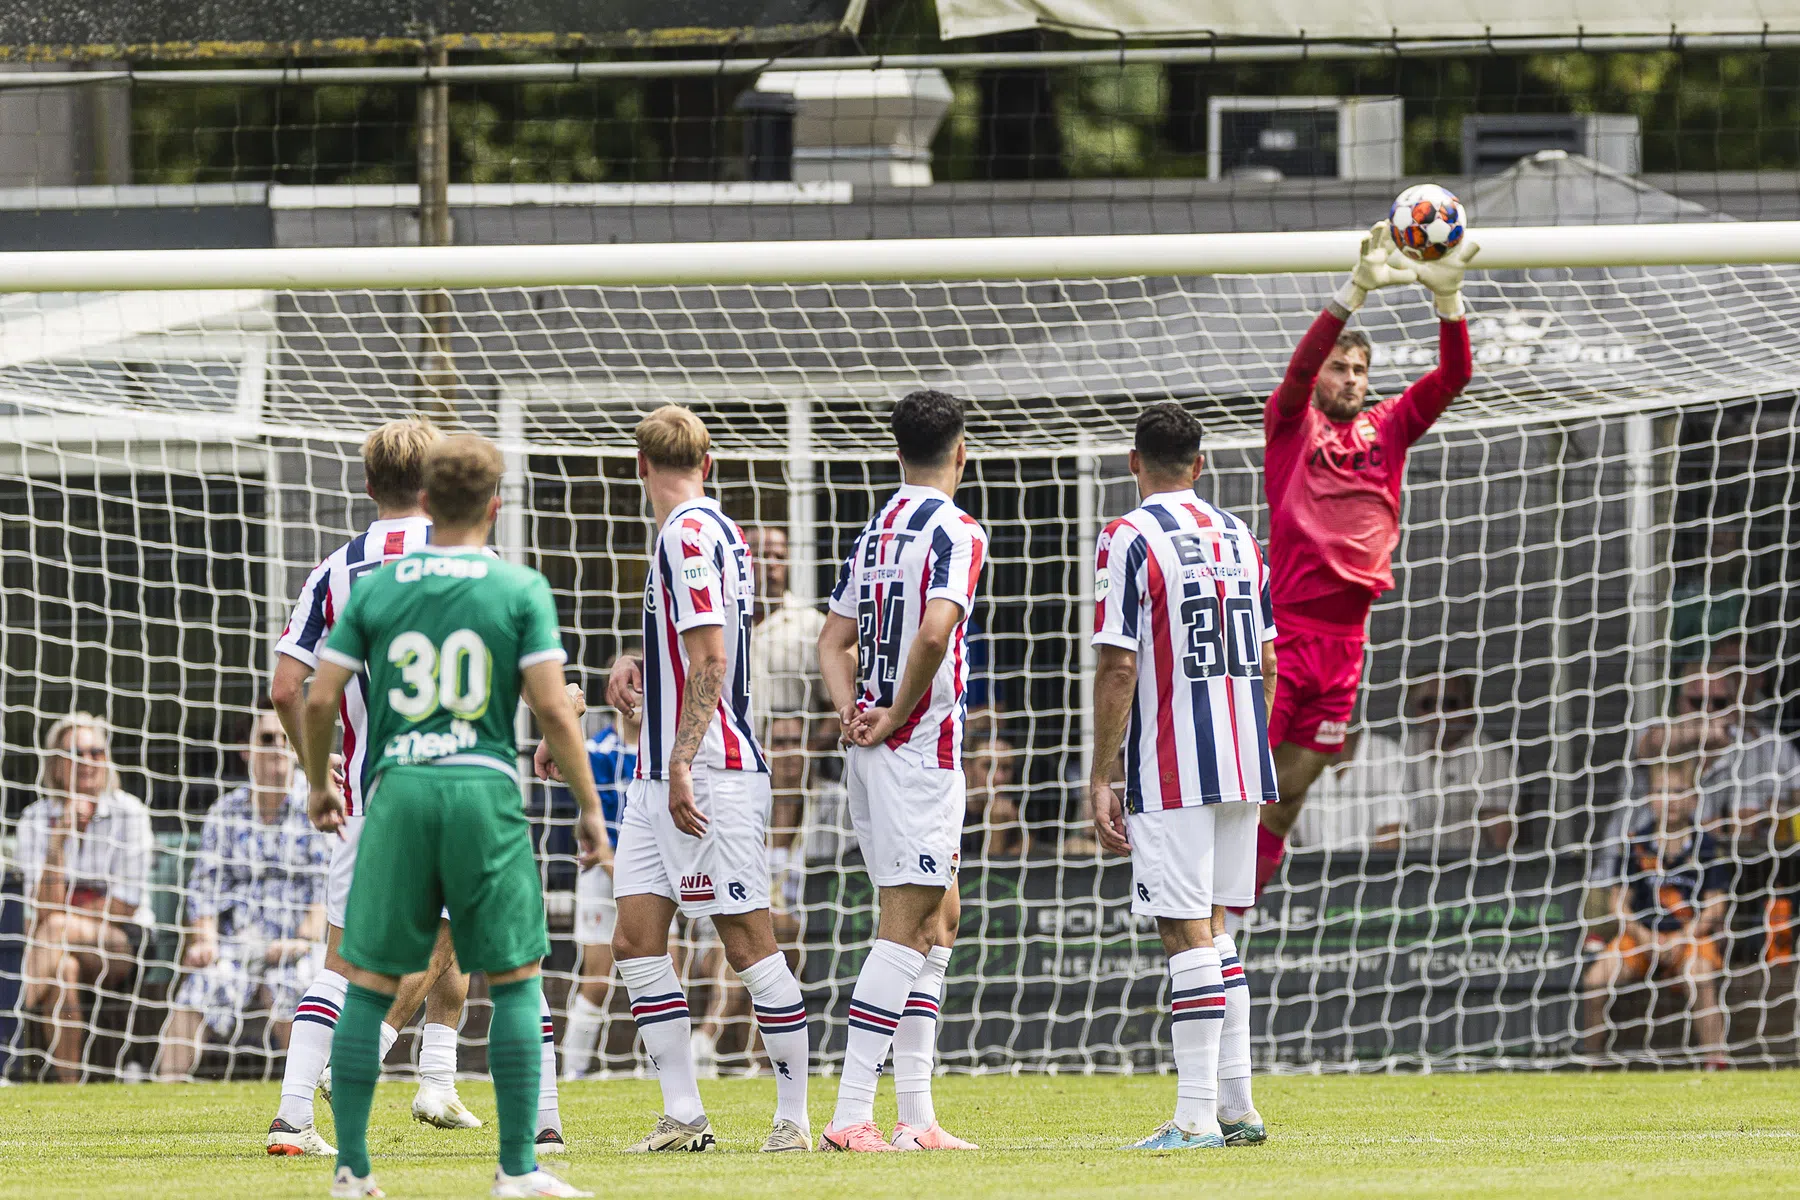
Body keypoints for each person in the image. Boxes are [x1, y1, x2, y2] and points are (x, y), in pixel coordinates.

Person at [302, 432, 607, 1199]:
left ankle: (352, 1170)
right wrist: (589, 806)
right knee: (517, 976)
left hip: (397, 790)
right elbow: (553, 709)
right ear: (495, 505)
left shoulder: (375, 587)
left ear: (427, 502)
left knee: (367, 981)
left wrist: (317, 782)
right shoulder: (515, 585)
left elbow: (314, 696)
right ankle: (517, 1169)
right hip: (480, 789)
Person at [584, 405, 812, 1154]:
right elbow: (694, 651)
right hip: (658, 775)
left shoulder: (685, 533)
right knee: (635, 940)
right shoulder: (716, 530)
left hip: (707, 771)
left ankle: (793, 1118)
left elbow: (714, 658)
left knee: (747, 943)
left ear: (640, 466)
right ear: (706, 463)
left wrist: (682, 758)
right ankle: (684, 1115)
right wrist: (640, 663)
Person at [267, 418, 490, 1154]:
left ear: (367, 486)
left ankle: (293, 1118)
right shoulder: (468, 556)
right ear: (433, 483)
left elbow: (285, 688)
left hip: (364, 794)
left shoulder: (335, 569)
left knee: (341, 960)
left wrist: (315, 770)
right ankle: (369, 1057)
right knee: (454, 930)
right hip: (452, 785)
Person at [1255, 222, 1478, 894]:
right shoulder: (1293, 424)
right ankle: (1204, 912)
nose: (1350, 379)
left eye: (1360, 370)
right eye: (1340, 367)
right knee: (1244, 788)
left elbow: (1455, 375)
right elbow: (1297, 372)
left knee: (1288, 800)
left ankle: (1235, 911)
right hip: (1285, 635)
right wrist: (1352, 292)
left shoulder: (1391, 425)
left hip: (1347, 644)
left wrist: (1448, 300)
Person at [1088, 401, 1279, 1151]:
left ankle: (1196, 1117)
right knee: (1218, 929)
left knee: (1184, 929)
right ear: (1201, 465)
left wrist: (1102, 772)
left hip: (1171, 763)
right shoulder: (1242, 537)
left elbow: (1119, 665)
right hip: (1243, 757)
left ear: (1134, 462)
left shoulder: (1128, 535)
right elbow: (1269, 660)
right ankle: (1238, 1108)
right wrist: (1249, 740)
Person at [816, 388, 987, 1153]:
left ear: (897, 453)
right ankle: (850, 1113)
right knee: (906, 925)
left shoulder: (876, 529)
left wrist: (852, 708)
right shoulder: (957, 529)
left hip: (880, 752)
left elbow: (832, 641)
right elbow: (934, 632)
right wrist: (890, 713)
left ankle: (916, 1117)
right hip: (915, 753)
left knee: (939, 921)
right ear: (961, 453)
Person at [159, 699, 330, 1080]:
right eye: (267, 738)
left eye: (287, 739)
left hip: (299, 944)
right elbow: (204, 890)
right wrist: (205, 941)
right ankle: (162, 1091)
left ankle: (309, 1095)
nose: (278, 748)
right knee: (200, 987)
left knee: (298, 985)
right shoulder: (225, 813)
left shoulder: (316, 808)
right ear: (245, 749)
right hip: (238, 945)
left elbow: (325, 892)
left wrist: (301, 940)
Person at [16, 712, 154, 1083]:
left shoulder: (130, 813)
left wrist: (64, 918)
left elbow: (124, 906)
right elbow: (40, 911)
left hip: (121, 942)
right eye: (77, 754)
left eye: (96, 752)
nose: (88, 761)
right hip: (56, 944)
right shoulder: (34, 819)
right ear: (56, 765)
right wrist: (59, 838)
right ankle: (69, 1092)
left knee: (56, 929)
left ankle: (7, 1030)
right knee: (64, 970)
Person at [1580, 785, 1728, 1067]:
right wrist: (1645, 937)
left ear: (1694, 798)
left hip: (1689, 939)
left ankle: (1716, 1062)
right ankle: (1593, 1064)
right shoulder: (1635, 843)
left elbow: (1716, 907)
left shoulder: (1707, 845)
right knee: (1595, 981)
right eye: (1661, 791)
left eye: (1678, 791)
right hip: (1640, 938)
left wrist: (1681, 938)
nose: (1670, 799)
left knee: (1699, 977)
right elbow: (1618, 904)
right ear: (1650, 798)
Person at [556, 656, 637, 1082]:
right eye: (630, 684)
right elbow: (592, 827)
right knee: (598, 979)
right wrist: (612, 865)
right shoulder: (597, 750)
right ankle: (572, 1072)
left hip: (648, 876)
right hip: (603, 874)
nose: (637, 694)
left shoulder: (665, 752)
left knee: (667, 973)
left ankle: (663, 1069)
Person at [1399, 675, 1517, 856]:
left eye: (1450, 703)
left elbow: (1501, 839)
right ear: (1416, 710)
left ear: (1468, 708)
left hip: (1468, 865)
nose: (1439, 713)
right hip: (1412, 865)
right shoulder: (1406, 749)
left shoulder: (1492, 757)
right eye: (1427, 704)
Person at [1284, 727, 1406, 854]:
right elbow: (1281, 839)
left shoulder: (1384, 752)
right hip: (1310, 865)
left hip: (1368, 865)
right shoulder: (1292, 757)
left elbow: (1390, 838)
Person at [963, 734, 1027, 860]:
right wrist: (996, 832)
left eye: (1006, 768)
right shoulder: (952, 817)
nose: (999, 777)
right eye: (988, 766)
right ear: (968, 767)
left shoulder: (1020, 814)